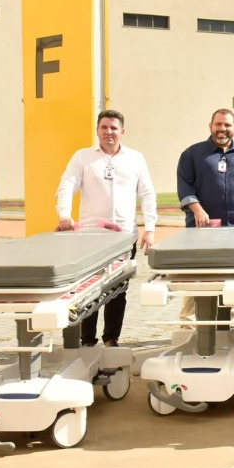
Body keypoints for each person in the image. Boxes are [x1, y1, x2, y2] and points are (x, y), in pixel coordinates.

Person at [55, 108, 158, 345]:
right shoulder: (82, 157)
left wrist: (150, 228)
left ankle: (111, 338)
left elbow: (147, 194)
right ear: (97, 130)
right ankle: (87, 339)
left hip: (123, 238)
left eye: (113, 128)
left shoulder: (135, 158)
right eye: (104, 127)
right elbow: (67, 185)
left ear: (122, 131)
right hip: (90, 238)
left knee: (117, 290)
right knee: (88, 290)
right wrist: (64, 214)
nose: (108, 132)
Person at [176, 108, 234, 229]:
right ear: (211, 126)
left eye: (227, 125)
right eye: (218, 124)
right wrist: (198, 211)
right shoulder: (191, 154)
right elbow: (185, 188)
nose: (222, 128)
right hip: (203, 228)